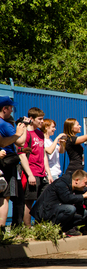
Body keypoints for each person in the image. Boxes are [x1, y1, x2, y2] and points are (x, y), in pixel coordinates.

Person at [31, 169, 87, 236]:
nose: (86, 186)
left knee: (84, 214)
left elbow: (86, 200)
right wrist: (83, 196)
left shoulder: (74, 185)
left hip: (55, 209)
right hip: (44, 211)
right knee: (70, 209)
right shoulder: (61, 183)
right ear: (77, 180)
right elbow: (66, 199)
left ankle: (63, 230)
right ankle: (52, 228)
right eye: (85, 183)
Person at [18, 108, 54, 227]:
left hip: (42, 173)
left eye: (43, 119)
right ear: (31, 119)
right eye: (40, 119)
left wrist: (48, 173)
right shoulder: (26, 133)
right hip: (32, 172)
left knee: (43, 201)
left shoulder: (40, 134)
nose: (42, 121)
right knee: (29, 201)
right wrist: (30, 175)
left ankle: (40, 226)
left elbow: (43, 155)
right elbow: (22, 155)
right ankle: (27, 226)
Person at [0, 96, 28, 229]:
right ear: (4, 109)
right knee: (7, 196)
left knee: (10, 195)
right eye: (10, 108)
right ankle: (6, 228)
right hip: (7, 165)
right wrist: (21, 130)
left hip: (7, 165)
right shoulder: (3, 124)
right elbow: (19, 141)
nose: (12, 110)